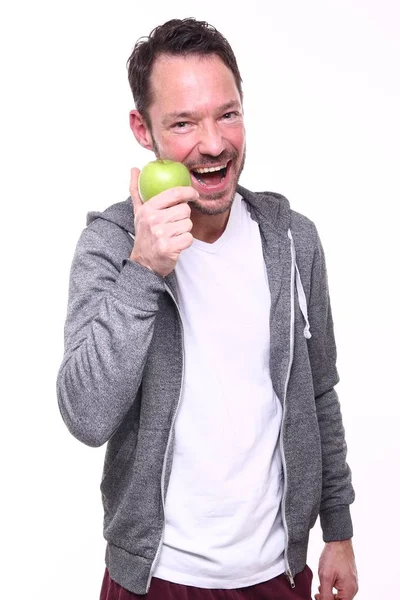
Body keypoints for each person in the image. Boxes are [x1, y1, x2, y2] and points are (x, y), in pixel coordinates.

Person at [56, 18, 358, 600]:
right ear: (143, 130)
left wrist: (338, 530)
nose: (214, 143)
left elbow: (319, 392)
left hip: (279, 573)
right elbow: (85, 416)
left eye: (228, 113)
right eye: (184, 122)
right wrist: (144, 270)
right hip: (157, 579)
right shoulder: (113, 244)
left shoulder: (293, 241)